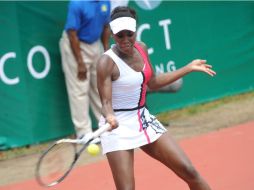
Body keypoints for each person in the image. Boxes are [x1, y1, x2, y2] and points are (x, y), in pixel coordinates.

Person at [97, 6, 216, 190]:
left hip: (142, 118)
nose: (126, 40)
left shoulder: (142, 48)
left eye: (130, 33)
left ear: (136, 30)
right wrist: (110, 117)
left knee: (189, 171)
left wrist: (188, 68)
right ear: (112, 34)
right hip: (116, 125)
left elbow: (152, 82)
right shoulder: (106, 61)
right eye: (120, 35)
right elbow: (105, 102)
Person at [59, 0, 111, 139]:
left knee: (98, 86)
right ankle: (84, 133)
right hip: (75, 45)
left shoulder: (106, 2)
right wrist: (80, 62)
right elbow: (72, 33)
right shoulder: (77, 4)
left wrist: (106, 51)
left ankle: (106, 126)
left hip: (95, 44)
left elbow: (106, 26)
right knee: (79, 89)